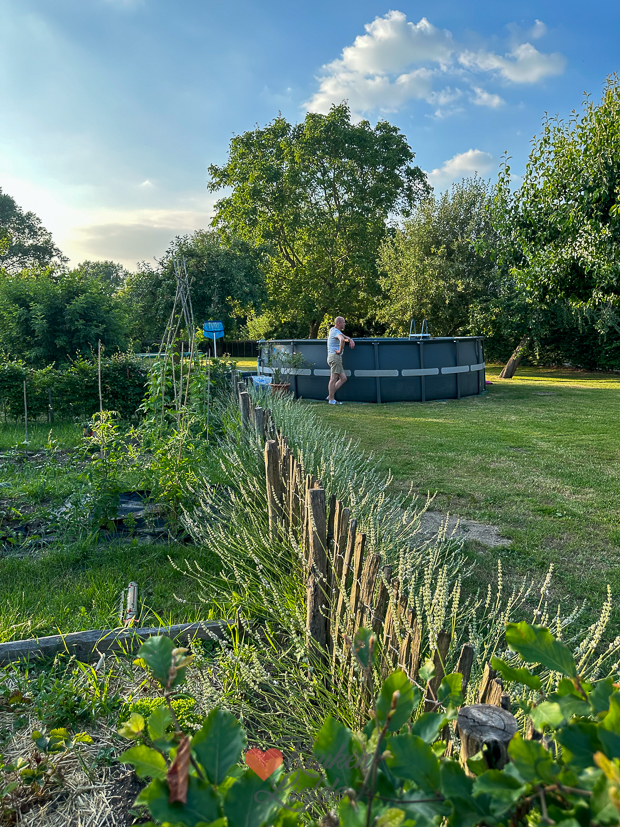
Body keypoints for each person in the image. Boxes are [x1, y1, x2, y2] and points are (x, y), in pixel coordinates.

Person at [327, 316, 355, 404]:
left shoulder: (334, 330)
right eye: (343, 322)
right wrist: (340, 351)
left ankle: (330, 395)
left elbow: (344, 337)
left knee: (343, 378)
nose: (345, 324)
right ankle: (331, 399)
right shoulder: (335, 331)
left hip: (335, 358)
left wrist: (350, 339)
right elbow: (342, 339)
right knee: (333, 378)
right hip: (335, 357)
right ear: (338, 323)